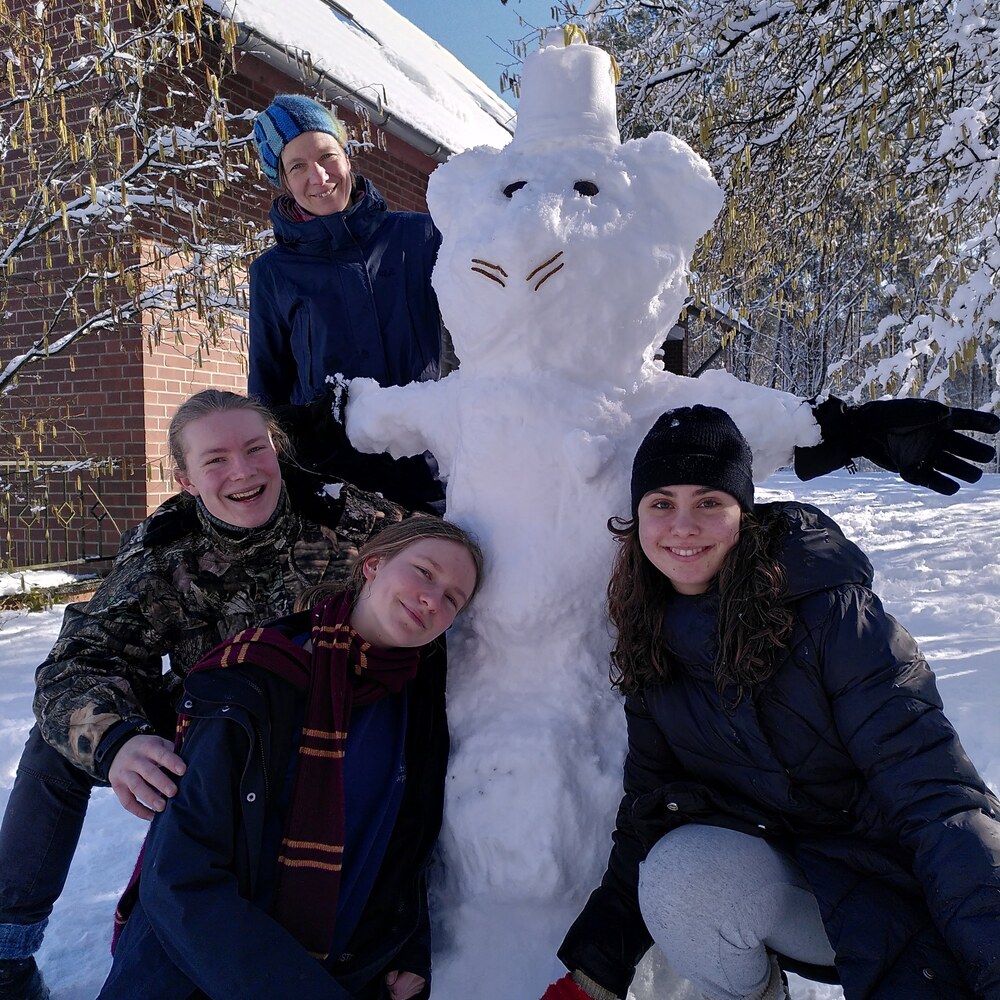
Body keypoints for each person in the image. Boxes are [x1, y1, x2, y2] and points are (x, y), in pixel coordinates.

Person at [541, 405, 1000, 1000]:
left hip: (902, 889)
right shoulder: (652, 641)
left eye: (709, 501)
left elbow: (935, 795)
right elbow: (648, 814)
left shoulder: (831, 616)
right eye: (661, 503)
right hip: (791, 892)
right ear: (636, 519)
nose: (682, 525)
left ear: (744, 514)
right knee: (682, 875)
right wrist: (591, 977)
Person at [0, 390, 407, 1000]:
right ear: (186, 478)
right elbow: (77, 661)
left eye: (254, 449)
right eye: (215, 460)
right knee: (57, 745)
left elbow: (435, 558)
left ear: (278, 451)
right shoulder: (165, 550)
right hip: (215, 731)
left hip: (326, 727)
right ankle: (8, 953)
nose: (241, 472)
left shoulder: (352, 524)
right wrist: (118, 744)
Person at [99, 516, 483, 1000]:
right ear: (373, 564)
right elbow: (181, 878)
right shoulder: (255, 678)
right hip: (200, 977)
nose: (433, 598)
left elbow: (405, 840)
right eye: (425, 571)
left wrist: (407, 944)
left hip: (343, 971)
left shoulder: (418, 701)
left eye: (453, 598)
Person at [249, 93, 447, 511]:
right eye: (297, 166)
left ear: (347, 156)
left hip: (429, 474)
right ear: (282, 180)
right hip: (331, 486)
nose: (318, 176)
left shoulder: (422, 237)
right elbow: (268, 390)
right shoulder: (273, 273)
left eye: (326, 155)